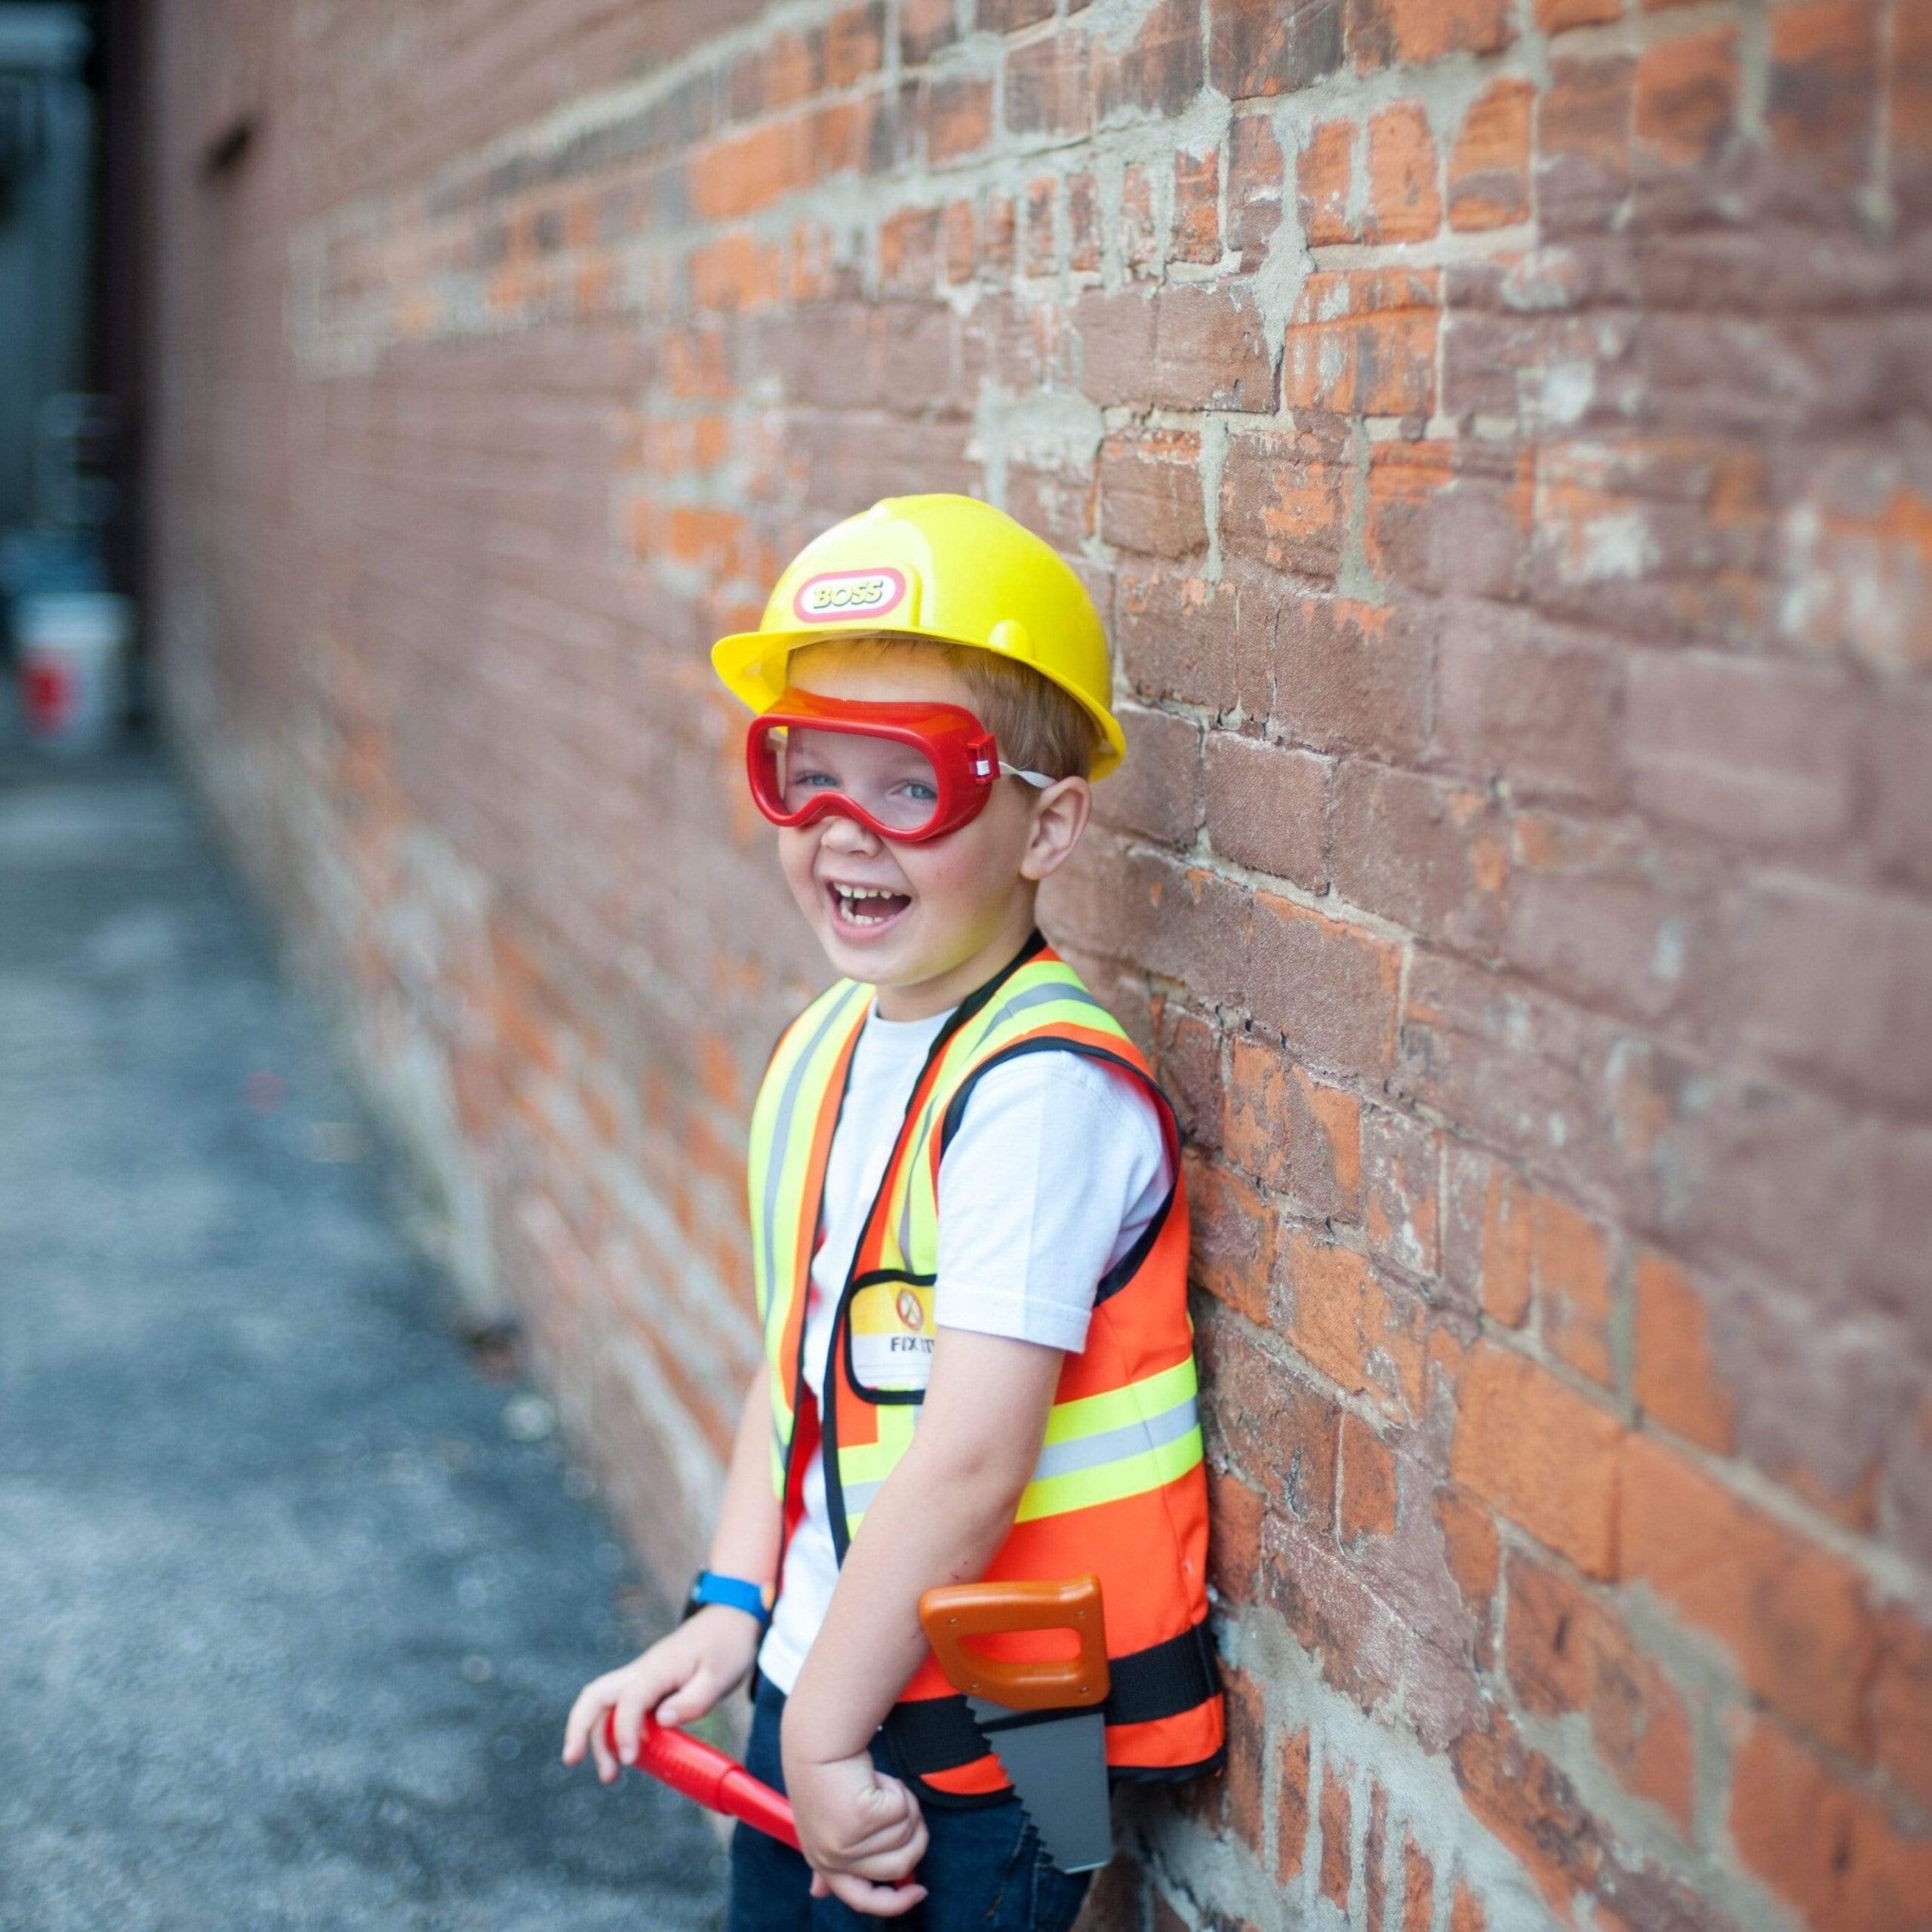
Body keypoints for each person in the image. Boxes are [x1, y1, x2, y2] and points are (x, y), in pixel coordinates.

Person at [561, 494, 1223, 1929]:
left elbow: (974, 1459)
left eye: (909, 785)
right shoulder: (837, 1043)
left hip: (966, 1750)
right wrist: (731, 1612)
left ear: (1048, 822)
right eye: (807, 774)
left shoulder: (1040, 1096)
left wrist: (820, 1735)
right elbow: (798, 1369)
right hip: (823, 1688)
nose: (844, 835)